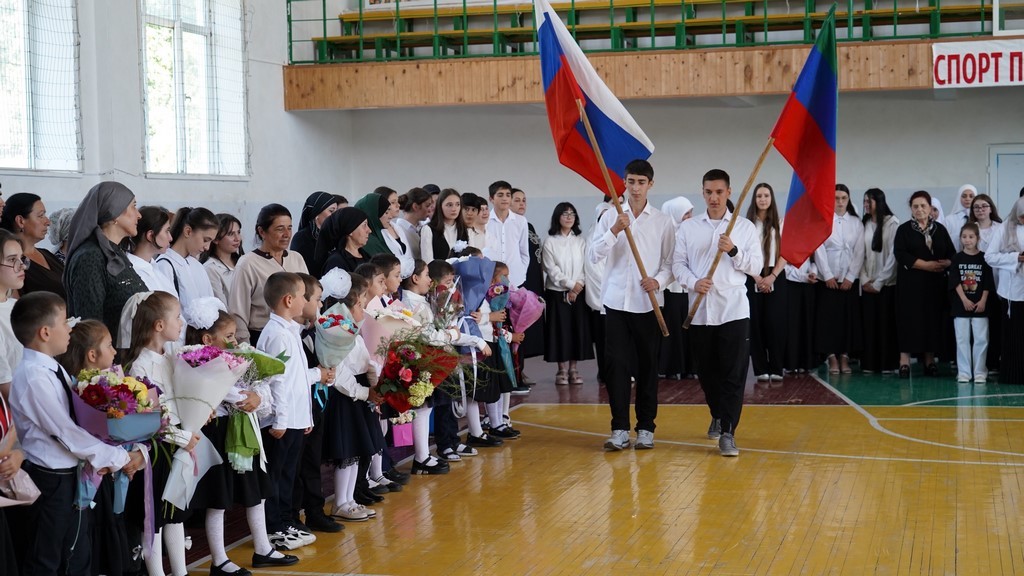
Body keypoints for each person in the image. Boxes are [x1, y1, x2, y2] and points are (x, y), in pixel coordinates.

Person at [9, 292, 144, 576]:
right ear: (45, 332)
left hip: (70, 475)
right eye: (64, 323)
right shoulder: (33, 377)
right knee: (47, 559)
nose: (70, 328)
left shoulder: (51, 367)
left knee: (77, 555)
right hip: (51, 480)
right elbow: (66, 432)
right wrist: (117, 457)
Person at [181, 304, 301, 571]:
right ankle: (219, 560)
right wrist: (245, 397)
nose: (235, 341)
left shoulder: (234, 358)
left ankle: (263, 548)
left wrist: (257, 396)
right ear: (207, 340)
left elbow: (259, 388)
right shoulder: (198, 361)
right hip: (218, 431)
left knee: (255, 489)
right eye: (229, 336)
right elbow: (223, 391)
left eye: (235, 335)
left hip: (243, 427)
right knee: (219, 497)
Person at [673, 169, 762, 457]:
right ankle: (717, 413)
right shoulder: (688, 228)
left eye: (719, 192)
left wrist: (733, 251)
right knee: (707, 373)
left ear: (729, 192)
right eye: (709, 192)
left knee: (734, 374)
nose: (714, 197)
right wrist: (693, 282)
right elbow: (678, 265)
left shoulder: (744, 228)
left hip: (734, 310)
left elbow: (756, 267)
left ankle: (728, 431)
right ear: (703, 193)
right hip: (700, 312)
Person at [588, 159, 674, 451]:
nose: (635, 188)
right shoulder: (610, 216)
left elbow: (671, 263)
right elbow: (594, 255)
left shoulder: (662, 221)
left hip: (648, 304)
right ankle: (619, 429)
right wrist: (614, 230)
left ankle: (646, 428)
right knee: (616, 367)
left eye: (641, 182)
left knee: (648, 367)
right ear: (623, 183)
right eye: (631, 182)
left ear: (650, 184)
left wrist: (658, 281)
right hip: (615, 302)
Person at [122, 291, 198, 576]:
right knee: (152, 519)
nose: (181, 322)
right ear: (158, 325)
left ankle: (181, 572)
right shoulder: (141, 366)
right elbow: (152, 417)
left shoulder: (171, 357)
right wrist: (182, 438)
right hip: (156, 450)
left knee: (175, 514)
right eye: (176, 317)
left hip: (177, 443)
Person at [256, 272, 332, 551]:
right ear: (289, 300)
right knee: (276, 475)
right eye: (302, 295)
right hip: (282, 421)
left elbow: (296, 377)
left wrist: (306, 416)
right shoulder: (276, 334)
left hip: (295, 419)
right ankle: (273, 527)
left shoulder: (289, 331)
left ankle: (286, 520)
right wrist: (282, 420)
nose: (306, 300)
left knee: (288, 474)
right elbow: (278, 381)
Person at [320, 272, 385, 518]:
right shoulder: (336, 333)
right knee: (346, 451)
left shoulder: (353, 332)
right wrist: (364, 391)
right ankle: (340, 502)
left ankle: (349, 500)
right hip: (346, 396)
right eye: (360, 303)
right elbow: (340, 373)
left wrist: (376, 384)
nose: (363, 308)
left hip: (361, 393)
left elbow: (366, 361)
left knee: (356, 451)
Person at [63, 182, 147, 342]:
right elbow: (90, 322)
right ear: (115, 213)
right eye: (134, 206)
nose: (139, 215)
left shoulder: (114, 251)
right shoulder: (90, 257)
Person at [894, 190, 955, 378]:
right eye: (915, 206)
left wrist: (947, 263)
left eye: (923, 206)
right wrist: (926, 265)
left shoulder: (940, 229)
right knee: (909, 321)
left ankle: (929, 360)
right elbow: (901, 254)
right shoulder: (904, 230)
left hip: (934, 285)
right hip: (911, 284)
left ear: (930, 208)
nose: (919, 209)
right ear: (911, 209)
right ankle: (904, 361)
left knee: (931, 320)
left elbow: (952, 254)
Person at [228, 204, 308, 345]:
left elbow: (307, 296)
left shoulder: (296, 258)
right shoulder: (248, 263)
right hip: (263, 337)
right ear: (262, 231)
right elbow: (238, 312)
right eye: (280, 229)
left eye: (289, 228)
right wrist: (245, 347)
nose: (287, 234)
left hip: (296, 335)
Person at [813, 184, 865, 374]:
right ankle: (831, 356)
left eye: (844, 198)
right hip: (828, 279)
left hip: (849, 281)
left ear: (848, 199)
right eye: (836, 198)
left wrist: (851, 276)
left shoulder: (856, 222)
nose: (840, 202)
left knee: (847, 320)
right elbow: (818, 249)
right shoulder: (823, 221)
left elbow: (859, 251)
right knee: (828, 320)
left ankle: (844, 356)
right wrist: (827, 274)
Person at [541, 201, 592, 384]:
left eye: (572, 214)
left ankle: (573, 369)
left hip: (578, 292)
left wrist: (578, 286)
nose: (569, 217)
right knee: (559, 331)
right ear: (558, 217)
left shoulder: (581, 241)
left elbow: (586, 266)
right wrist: (570, 284)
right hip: (557, 292)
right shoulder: (550, 241)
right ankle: (561, 369)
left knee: (576, 330)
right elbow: (550, 268)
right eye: (565, 214)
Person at [745, 183, 788, 382]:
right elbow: (743, 255)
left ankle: (777, 367)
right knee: (756, 323)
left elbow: (785, 253)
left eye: (766, 195)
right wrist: (757, 277)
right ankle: (761, 367)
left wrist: (772, 277)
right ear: (754, 199)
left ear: (771, 199)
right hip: (753, 274)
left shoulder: (780, 223)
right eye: (759, 196)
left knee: (775, 322)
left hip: (775, 274)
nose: (763, 199)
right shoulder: (747, 225)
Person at [859, 188, 900, 374]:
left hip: (886, 284)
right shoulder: (865, 223)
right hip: (867, 283)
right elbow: (859, 254)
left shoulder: (892, 223)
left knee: (886, 325)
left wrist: (879, 282)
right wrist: (864, 279)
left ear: (880, 202)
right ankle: (870, 363)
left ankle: (887, 364)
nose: (866, 205)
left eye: (870, 201)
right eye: (865, 201)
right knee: (869, 325)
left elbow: (893, 256)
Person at [984, 197, 1024, 384]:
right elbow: (990, 257)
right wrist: (1016, 258)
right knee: (1014, 336)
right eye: (1022, 216)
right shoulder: (1004, 228)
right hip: (1012, 292)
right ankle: (1014, 374)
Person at [949, 223, 994, 383]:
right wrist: (964, 300)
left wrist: (982, 301)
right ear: (960, 238)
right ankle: (964, 372)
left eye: (971, 237)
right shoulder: (956, 258)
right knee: (962, 339)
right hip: (961, 305)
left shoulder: (984, 258)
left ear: (977, 238)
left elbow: (988, 283)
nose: (967, 240)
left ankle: (980, 372)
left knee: (981, 339)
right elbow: (955, 281)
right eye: (964, 237)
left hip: (980, 305)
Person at [0, 193, 66, 298]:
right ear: (20, 221)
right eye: (41, 216)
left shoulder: (47, 254)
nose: (48, 222)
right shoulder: (11, 263)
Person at [511, 188, 545, 385]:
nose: (522, 203)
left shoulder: (527, 225)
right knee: (516, 326)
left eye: (524, 200)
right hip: (519, 284)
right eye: (517, 200)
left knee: (526, 328)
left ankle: (520, 370)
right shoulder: (509, 227)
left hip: (533, 282)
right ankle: (515, 372)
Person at [658, 196, 694, 380]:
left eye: (690, 213)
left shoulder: (689, 233)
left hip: (686, 288)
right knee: (672, 329)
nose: (689, 217)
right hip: (670, 288)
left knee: (688, 328)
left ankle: (689, 367)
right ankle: (671, 367)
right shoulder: (666, 233)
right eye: (685, 214)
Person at [155, 207, 219, 309]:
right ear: (188, 231)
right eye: (205, 240)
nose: (207, 247)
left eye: (211, 241)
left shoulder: (198, 266)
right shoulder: (164, 265)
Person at [968, 194, 1005, 372]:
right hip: (977, 283)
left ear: (991, 208)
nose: (980, 209)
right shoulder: (970, 229)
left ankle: (994, 362)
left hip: (998, 281)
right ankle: (978, 364)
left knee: (997, 324)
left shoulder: (1001, 228)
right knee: (979, 327)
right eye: (976, 207)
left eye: (984, 206)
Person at [584, 196, 613, 383]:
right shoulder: (592, 236)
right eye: (602, 215)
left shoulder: (619, 233)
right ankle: (604, 372)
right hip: (599, 296)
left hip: (617, 295)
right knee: (602, 339)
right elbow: (592, 267)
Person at [484, 181, 530, 290]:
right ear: (491, 199)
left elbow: (524, 251)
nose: (505, 198)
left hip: (516, 278)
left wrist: (522, 272)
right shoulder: (485, 221)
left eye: (508, 195)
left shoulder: (521, 221)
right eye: (500, 195)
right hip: (491, 279)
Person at [357, 188, 413, 274]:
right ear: (374, 214)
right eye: (386, 212)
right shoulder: (366, 242)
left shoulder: (378, 237)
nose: (389, 216)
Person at [126, 206, 178, 296]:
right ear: (150, 235)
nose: (170, 238)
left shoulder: (155, 268)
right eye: (167, 231)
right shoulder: (132, 272)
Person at [0, 230, 26, 398]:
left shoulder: (17, 306)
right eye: (11, 259)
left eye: (21, 258)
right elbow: (5, 385)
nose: (22, 266)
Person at [290, 191, 344, 272]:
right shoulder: (301, 238)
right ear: (317, 214)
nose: (335, 215)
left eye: (336, 211)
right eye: (331, 211)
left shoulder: (334, 235)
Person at [313, 206, 372, 275]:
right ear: (350, 230)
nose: (369, 230)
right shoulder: (336, 263)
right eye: (364, 225)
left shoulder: (367, 257)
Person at [203, 213, 244, 308]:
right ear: (216, 239)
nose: (237, 238)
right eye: (231, 234)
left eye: (238, 232)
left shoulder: (242, 262)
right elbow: (222, 307)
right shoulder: (211, 268)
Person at [420, 188, 467, 262]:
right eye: (449, 205)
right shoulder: (429, 229)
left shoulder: (464, 230)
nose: (454, 209)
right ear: (440, 206)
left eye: (457, 204)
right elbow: (427, 261)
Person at [394, 188, 432, 260]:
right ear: (415, 207)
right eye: (427, 206)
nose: (430, 210)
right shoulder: (398, 230)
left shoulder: (424, 226)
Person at [945, 184, 977, 252]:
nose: (967, 199)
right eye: (964, 196)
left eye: (971, 196)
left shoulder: (979, 219)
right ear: (959, 197)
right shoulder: (949, 220)